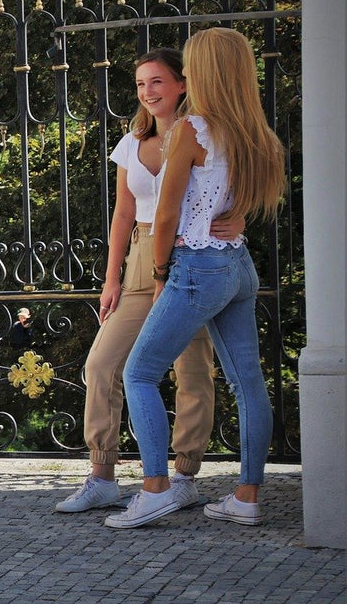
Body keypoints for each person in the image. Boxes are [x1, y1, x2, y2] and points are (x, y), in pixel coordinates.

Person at [106, 28, 285, 529]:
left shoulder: (192, 129)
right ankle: (246, 496)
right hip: (237, 265)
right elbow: (245, 198)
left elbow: (165, 216)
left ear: (203, 71)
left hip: (196, 267)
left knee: (139, 373)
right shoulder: (252, 130)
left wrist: (161, 272)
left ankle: (155, 489)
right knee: (247, 383)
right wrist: (238, 217)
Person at [55, 48, 245, 514]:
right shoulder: (131, 143)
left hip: (192, 257)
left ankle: (184, 476)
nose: (147, 92)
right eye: (141, 84)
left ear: (182, 84)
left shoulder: (206, 134)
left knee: (192, 369)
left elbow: (235, 186)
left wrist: (240, 216)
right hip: (142, 258)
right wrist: (111, 279)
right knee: (102, 363)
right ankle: (102, 475)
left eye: (157, 81)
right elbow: (122, 214)